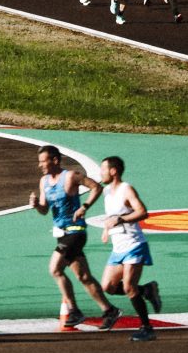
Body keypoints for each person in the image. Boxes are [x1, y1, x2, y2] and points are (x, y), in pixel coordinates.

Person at [31, 145, 117, 331]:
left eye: (43, 161)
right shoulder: (44, 181)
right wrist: (37, 205)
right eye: (39, 162)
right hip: (62, 233)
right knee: (83, 276)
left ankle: (74, 310)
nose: (40, 166)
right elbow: (45, 210)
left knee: (55, 269)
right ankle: (109, 310)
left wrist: (84, 207)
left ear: (55, 160)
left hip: (75, 231)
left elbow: (96, 187)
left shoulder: (70, 176)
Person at [91, 155, 162, 341]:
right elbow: (112, 217)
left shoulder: (126, 189)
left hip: (134, 244)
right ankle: (146, 290)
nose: (100, 173)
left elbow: (142, 212)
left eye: (103, 169)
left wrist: (121, 219)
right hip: (118, 247)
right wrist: (107, 229)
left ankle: (147, 328)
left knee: (129, 286)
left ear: (113, 171)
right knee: (108, 286)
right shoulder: (107, 192)